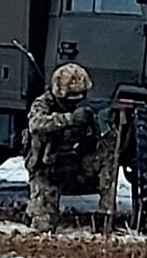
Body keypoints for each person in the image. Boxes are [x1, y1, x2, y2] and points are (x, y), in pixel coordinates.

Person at [25, 64, 120, 232]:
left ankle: (105, 215)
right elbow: (35, 124)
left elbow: (107, 145)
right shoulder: (43, 103)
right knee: (43, 226)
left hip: (77, 167)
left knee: (109, 154)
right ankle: (34, 211)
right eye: (70, 98)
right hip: (48, 172)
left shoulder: (85, 107)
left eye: (79, 97)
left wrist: (106, 123)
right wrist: (69, 119)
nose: (75, 102)